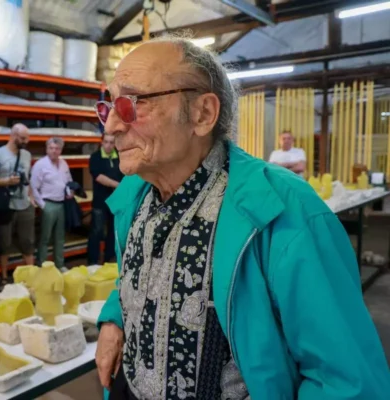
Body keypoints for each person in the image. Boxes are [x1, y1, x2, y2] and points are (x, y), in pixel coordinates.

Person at [94, 36, 390, 399]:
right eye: (109, 106)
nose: (110, 126)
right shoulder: (135, 195)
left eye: (131, 104)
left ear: (203, 114)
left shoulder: (287, 213)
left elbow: (346, 382)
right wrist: (115, 317)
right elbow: (140, 276)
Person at [0, 124, 35, 282]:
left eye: (27, 139)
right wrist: (7, 181)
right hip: (5, 205)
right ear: (13, 136)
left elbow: (28, 178)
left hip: (24, 204)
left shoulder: (27, 155)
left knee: (27, 241)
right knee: (4, 243)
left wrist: (31, 196)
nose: (26, 142)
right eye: (23, 138)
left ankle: (31, 277)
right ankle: (4, 277)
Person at [31, 137, 73, 270]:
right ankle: (41, 266)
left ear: (61, 150)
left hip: (61, 203)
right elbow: (33, 187)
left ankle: (60, 265)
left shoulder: (63, 163)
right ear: (47, 149)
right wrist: (42, 205)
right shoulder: (40, 165)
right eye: (51, 148)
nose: (54, 151)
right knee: (45, 237)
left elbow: (68, 180)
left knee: (60, 237)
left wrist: (69, 192)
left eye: (57, 148)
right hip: (48, 203)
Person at [88, 133, 123, 265]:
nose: (108, 145)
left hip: (116, 202)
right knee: (96, 232)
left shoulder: (119, 157)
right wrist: (118, 185)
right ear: (101, 142)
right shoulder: (95, 157)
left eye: (111, 143)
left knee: (113, 232)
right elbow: (98, 177)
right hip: (100, 202)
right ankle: (93, 262)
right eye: (106, 142)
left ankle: (109, 260)